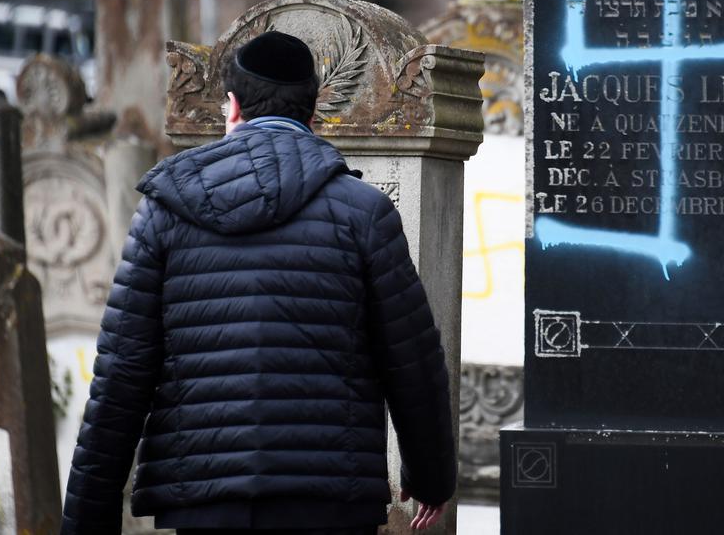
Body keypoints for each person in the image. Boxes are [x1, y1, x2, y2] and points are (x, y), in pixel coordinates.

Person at [61, 31, 456, 535]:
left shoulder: (163, 210)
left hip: (205, 494)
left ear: (231, 108)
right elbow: (412, 359)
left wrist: (86, 518)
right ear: (312, 115)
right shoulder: (364, 212)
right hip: (328, 498)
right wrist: (431, 476)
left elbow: (122, 375)